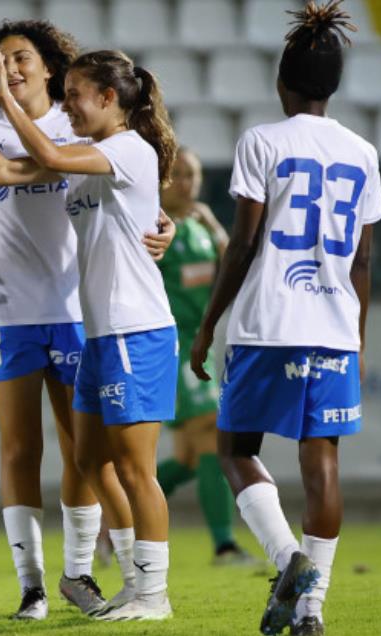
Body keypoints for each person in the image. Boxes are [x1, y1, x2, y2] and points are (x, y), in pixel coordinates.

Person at [0, 20, 174, 620]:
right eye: (4, 59)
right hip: (11, 309)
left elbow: (105, 178)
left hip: (86, 314)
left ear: (51, 69)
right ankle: (36, 586)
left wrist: (164, 224)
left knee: (92, 456)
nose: (13, 68)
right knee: (36, 451)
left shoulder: (75, 135)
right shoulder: (7, 133)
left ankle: (99, 575)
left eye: (23, 58)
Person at [189, 3, 381, 635]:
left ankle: (285, 557)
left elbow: (242, 245)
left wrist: (208, 323)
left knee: (235, 447)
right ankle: (312, 612)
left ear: (282, 80)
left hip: (267, 323)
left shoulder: (261, 141)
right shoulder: (362, 152)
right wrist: (354, 336)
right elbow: (362, 259)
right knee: (320, 461)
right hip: (332, 326)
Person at [155, 148, 255, 565]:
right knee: (214, 434)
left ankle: (113, 515)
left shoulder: (199, 225)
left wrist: (213, 222)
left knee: (189, 456)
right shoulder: (155, 224)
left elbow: (235, 261)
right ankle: (224, 544)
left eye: (192, 174)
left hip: (200, 344)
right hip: (170, 344)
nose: (186, 181)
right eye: (177, 173)